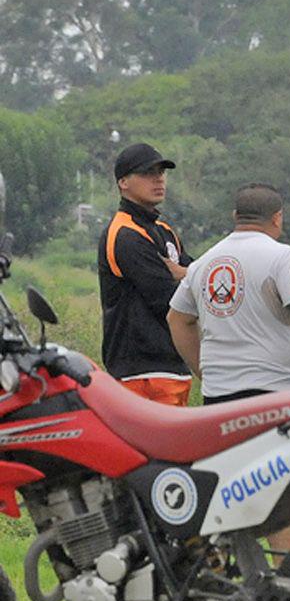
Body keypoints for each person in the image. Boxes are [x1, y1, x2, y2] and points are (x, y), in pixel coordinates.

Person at [167, 183, 290, 556]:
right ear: (278, 218)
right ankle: (288, 574)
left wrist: (204, 372)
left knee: (231, 491)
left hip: (220, 398)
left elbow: (177, 319)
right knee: (281, 490)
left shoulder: (204, 262)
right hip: (275, 394)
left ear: (235, 217)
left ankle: (230, 574)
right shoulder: (283, 257)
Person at [98, 143, 194, 406]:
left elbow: (197, 277)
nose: (158, 178)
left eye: (161, 172)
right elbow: (168, 299)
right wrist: (189, 278)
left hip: (172, 366)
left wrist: (186, 273)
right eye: (147, 173)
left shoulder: (163, 229)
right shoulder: (124, 234)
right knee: (158, 448)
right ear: (123, 182)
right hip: (140, 371)